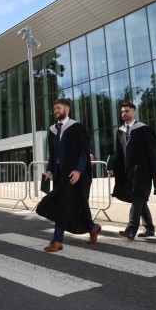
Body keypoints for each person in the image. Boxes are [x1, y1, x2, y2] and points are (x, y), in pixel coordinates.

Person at [36, 98, 101, 252]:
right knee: (69, 205)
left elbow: (84, 151)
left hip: (74, 175)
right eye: (54, 108)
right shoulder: (52, 130)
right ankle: (92, 227)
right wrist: (49, 170)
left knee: (64, 205)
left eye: (58, 108)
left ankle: (57, 241)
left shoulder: (77, 127)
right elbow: (52, 154)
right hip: (59, 175)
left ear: (67, 109)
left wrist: (78, 170)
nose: (56, 111)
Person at [110, 102, 156, 240]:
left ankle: (131, 229)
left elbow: (153, 151)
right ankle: (150, 228)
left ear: (133, 112)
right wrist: (112, 167)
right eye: (122, 111)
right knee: (140, 199)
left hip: (142, 170)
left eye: (127, 111)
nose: (124, 114)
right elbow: (117, 152)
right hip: (128, 172)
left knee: (137, 196)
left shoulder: (143, 129)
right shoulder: (120, 131)